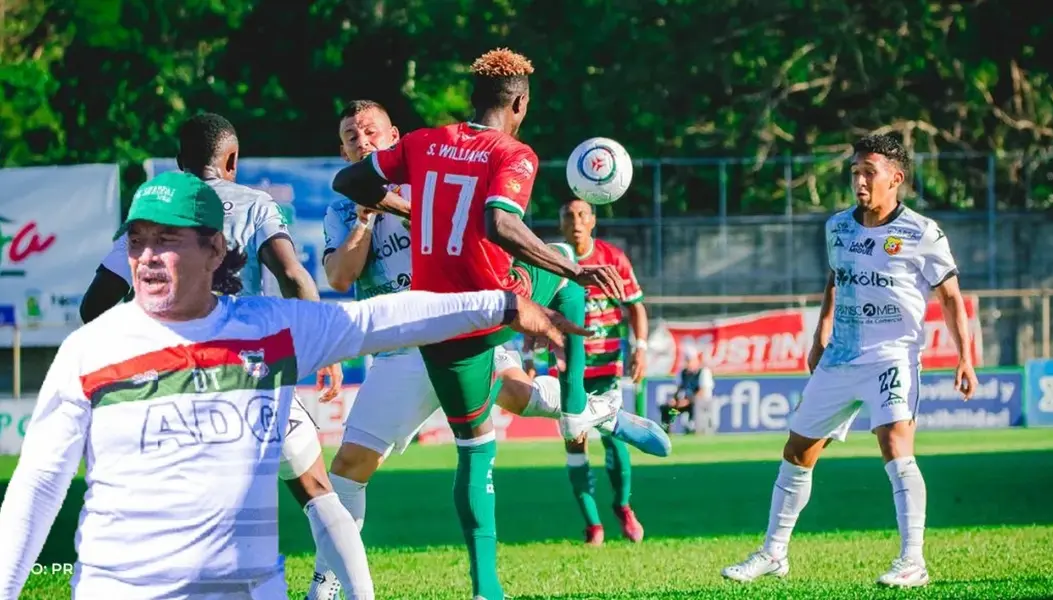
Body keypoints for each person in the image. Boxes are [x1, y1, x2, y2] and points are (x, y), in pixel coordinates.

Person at [0, 171, 581, 599]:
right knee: (319, 487)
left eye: (168, 240)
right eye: (137, 241)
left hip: (246, 589)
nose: (147, 258)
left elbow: (387, 317)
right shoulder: (89, 349)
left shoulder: (269, 329)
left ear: (214, 249)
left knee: (320, 487)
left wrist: (504, 303)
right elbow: (36, 488)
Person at [332, 48, 669, 600]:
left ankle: (487, 590)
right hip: (496, 304)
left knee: (475, 446)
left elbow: (349, 182)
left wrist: (398, 207)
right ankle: (581, 405)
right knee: (562, 269)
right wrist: (572, 268)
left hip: (438, 325)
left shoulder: (419, 142)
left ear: (470, 99)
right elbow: (501, 223)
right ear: (519, 102)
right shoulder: (513, 151)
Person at [75, 113, 369, 596]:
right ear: (230, 160)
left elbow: (94, 306)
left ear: (178, 163)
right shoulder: (256, 204)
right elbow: (294, 276)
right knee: (318, 493)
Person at [721, 133, 978, 588]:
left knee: (895, 447)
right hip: (840, 357)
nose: (859, 180)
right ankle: (774, 553)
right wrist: (820, 333)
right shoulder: (838, 226)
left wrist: (965, 358)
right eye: (855, 171)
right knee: (798, 451)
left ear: (895, 179)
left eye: (869, 173)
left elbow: (952, 297)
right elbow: (836, 279)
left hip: (892, 356)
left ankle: (912, 561)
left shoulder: (921, 232)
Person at [555, 198, 649, 545]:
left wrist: (640, 348)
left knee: (614, 439)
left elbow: (635, 306)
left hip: (607, 367)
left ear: (592, 221)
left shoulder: (612, 258)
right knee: (575, 444)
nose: (576, 221)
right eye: (569, 215)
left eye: (582, 215)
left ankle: (623, 506)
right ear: (561, 223)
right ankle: (592, 524)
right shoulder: (552, 260)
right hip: (567, 372)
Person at [659, 346, 715, 434]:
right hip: (687, 402)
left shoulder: (703, 372)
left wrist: (687, 401)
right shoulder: (682, 373)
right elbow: (678, 389)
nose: (688, 363)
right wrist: (675, 399)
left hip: (702, 402)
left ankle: (692, 427)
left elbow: (702, 392)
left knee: (695, 404)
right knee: (668, 407)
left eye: (690, 360)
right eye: (687, 360)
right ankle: (667, 429)